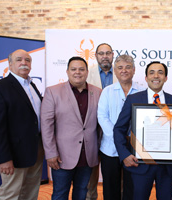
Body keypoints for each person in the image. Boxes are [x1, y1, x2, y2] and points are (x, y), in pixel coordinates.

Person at [114, 61, 172, 200]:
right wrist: (124, 155)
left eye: (160, 72)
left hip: (167, 166)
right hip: (140, 164)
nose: (156, 76)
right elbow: (119, 129)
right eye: (152, 72)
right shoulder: (133, 99)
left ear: (166, 78)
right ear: (146, 77)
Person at [41, 56, 102, 200]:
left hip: (88, 155)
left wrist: (98, 149)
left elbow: (100, 125)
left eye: (81, 69)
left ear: (87, 72)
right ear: (67, 72)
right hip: (61, 156)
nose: (77, 72)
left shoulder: (98, 92)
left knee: (81, 193)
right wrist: (50, 153)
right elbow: (46, 125)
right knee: (60, 194)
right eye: (73, 69)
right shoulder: (53, 92)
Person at [0, 49, 44, 200]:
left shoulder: (32, 86)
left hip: (36, 150)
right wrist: (4, 158)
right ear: (10, 64)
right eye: (19, 60)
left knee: (31, 192)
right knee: (11, 194)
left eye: (28, 60)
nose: (24, 63)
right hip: (14, 154)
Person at [97, 55, 145, 200]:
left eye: (128, 67)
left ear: (134, 70)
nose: (124, 70)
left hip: (134, 149)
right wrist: (119, 139)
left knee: (132, 187)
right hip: (110, 148)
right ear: (115, 71)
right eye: (120, 68)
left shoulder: (143, 92)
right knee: (111, 189)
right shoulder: (107, 91)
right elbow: (102, 117)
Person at [86, 43, 118, 200]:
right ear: (96, 56)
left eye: (108, 53)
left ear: (113, 55)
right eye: (101, 53)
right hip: (91, 131)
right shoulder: (86, 73)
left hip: (114, 133)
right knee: (89, 178)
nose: (105, 56)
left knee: (115, 178)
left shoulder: (122, 72)